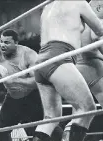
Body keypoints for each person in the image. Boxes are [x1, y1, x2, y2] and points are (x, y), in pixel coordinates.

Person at [0, 29, 63, 141]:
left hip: (32, 97)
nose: (2, 45)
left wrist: (15, 81)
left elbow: (39, 81)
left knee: (48, 126)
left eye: (7, 42)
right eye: (1, 41)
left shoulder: (28, 55)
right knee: (2, 130)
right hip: (13, 97)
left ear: (16, 43)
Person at [33, 1, 103, 141]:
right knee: (87, 109)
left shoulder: (47, 7)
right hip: (60, 57)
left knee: (51, 117)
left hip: (41, 60)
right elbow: (99, 30)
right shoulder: (78, 2)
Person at [77, 0, 103, 109]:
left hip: (77, 67)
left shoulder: (80, 23)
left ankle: (72, 126)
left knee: (83, 112)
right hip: (93, 67)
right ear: (99, 8)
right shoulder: (97, 21)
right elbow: (96, 37)